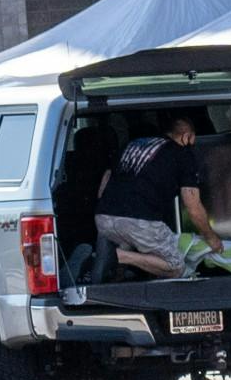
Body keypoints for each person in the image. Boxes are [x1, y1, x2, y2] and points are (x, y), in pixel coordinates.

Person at [92, 117, 223, 280]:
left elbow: (106, 179)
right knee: (175, 266)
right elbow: (193, 206)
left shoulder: (133, 144)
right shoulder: (182, 153)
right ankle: (118, 257)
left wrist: (108, 208)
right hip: (140, 221)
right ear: (186, 136)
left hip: (103, 217)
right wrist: (212, 238)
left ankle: (106, 271)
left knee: (130, 241)